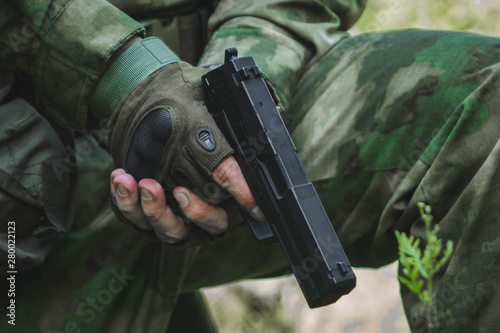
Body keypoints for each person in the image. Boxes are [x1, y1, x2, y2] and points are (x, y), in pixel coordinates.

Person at [1, 0, 499, 332]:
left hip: (221, 93)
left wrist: (243, 83)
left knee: (486, 107)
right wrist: (124, 77)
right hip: (30, 184)